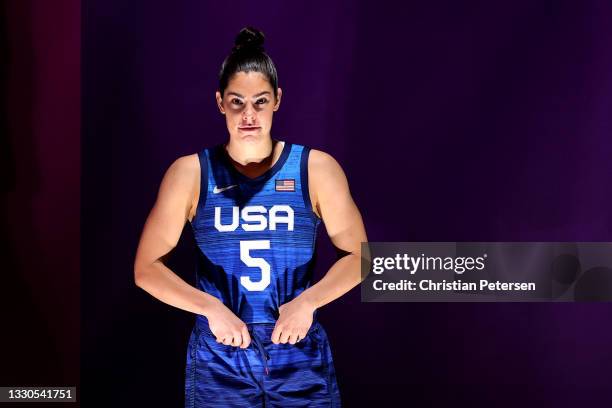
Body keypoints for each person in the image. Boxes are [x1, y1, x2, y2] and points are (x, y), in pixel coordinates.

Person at [134, 26, 367, 407]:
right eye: (237, 102)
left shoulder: (315, 169)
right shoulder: (191, 173)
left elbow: (362, 257)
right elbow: (145, 269)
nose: (248, 115)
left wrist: (308, 302)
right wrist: (209, 307)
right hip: (220, 355)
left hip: (296, 347)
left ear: (277, 100)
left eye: (259, 102)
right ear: (220, 103)